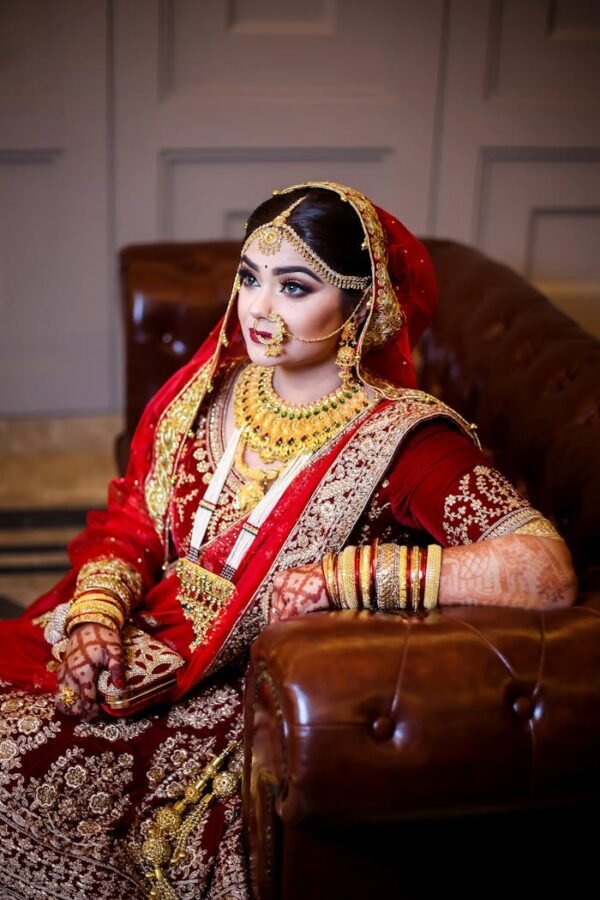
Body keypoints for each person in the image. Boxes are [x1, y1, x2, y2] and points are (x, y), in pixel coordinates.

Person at [0, 181, 576, 898]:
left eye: (295, 287)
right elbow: (135, 519)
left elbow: (544, 569)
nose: (259, 309)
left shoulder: (402, 441)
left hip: (243, 692)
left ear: (360, 308)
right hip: (141, 643)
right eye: (249, 277)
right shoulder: (211, 390)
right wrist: (95, 619)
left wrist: (349, 577)